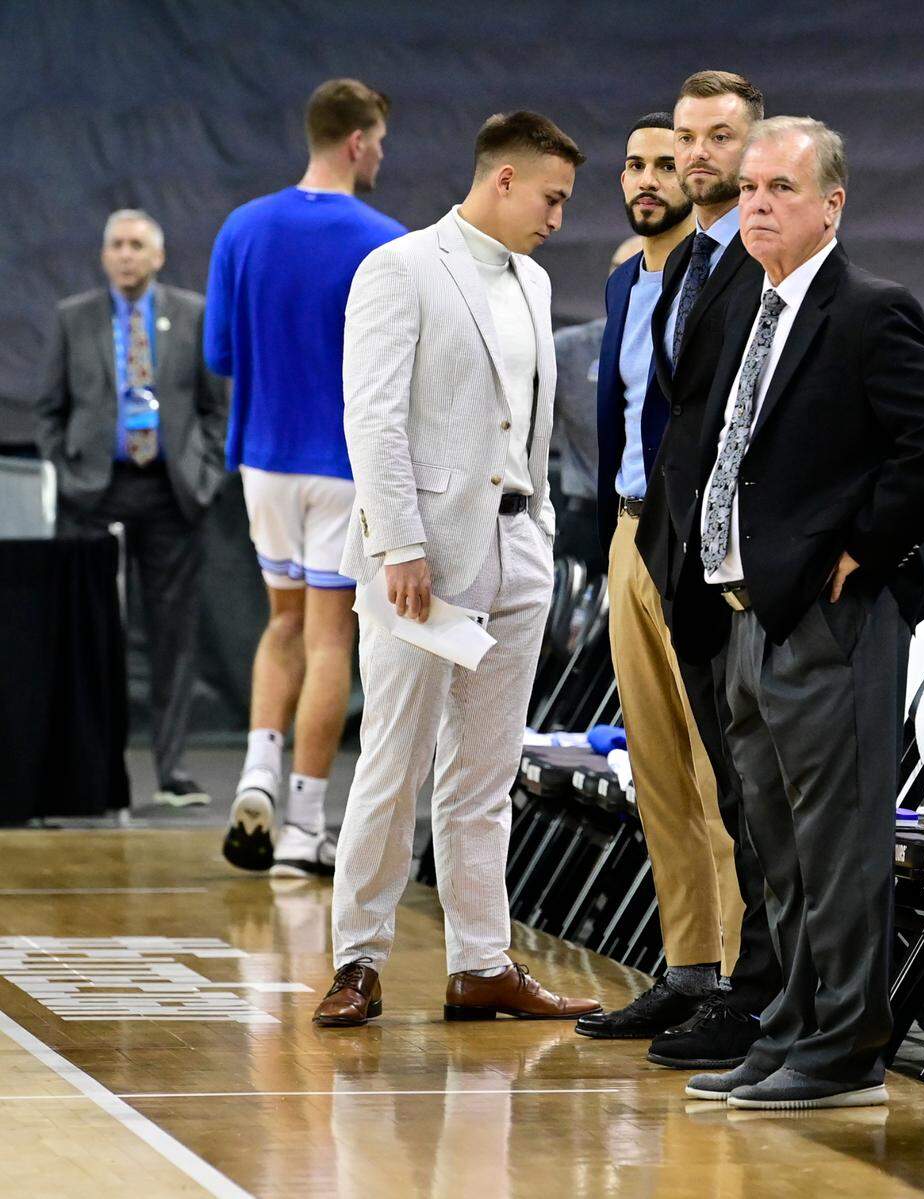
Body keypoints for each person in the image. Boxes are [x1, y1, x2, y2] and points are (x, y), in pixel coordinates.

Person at [675, 117, 924, 1110]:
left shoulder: (865, 308)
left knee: (840, 840)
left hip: (831, 617)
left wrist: (867, 546)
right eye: (750, 187)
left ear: (831, 204)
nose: (757, 202)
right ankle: (797, 1026)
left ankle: (848, 1047)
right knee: (780, 844)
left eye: (781, 189)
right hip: (751, 614)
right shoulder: (756, 307)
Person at [312, 111, 601, 1027]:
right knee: (393, 761)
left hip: (517, 547)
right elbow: (374, 416)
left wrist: (543, 530)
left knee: (486, 773)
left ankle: (481, 963)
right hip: (426, 556)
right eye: (551, 197)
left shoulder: (535, 280)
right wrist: (398, 543)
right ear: (504, 180)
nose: (558, 215)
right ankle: (357, 959)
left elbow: (533, 420)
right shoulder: (400, 267)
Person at [585, 73, 782, 1069]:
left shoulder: (760, 268)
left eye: (709, 143)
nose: (686, 162)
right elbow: (627, 418)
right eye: (673, 146)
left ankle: (746, 983)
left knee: (721, 769)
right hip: (632, 531)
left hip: (706, 544)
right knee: (656, 763)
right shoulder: (645, 276)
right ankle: (688, 965)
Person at [204, 79, 407, 877]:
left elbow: (220, 354)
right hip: (341, 463)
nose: (383, 154)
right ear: (357, 141)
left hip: (262, 460)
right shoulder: (383, 240)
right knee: (332, 639)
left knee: (281, 623)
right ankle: (303, 824)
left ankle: (256, 767)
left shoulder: (241, 227)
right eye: (381, 141)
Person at [37, 209, 228, 807]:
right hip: (95, 495)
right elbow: (49, 410)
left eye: (136, 245)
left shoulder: (192, 314)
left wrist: (207, 472)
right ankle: (96, 771)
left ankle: (172, 773)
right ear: (104, 255)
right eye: (115, 244)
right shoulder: (75, 318)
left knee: (173, 637)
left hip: (170, 493)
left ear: (157, 256)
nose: (124, 255)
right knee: (93, 635)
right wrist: (69, 478)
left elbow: (216, 406)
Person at [549, 239, 641, 576]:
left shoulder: (682, 351)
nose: (627, 281)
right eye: (618, 270)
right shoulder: (569, 349)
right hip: (584, 520)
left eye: (642, 268)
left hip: (653, 525)